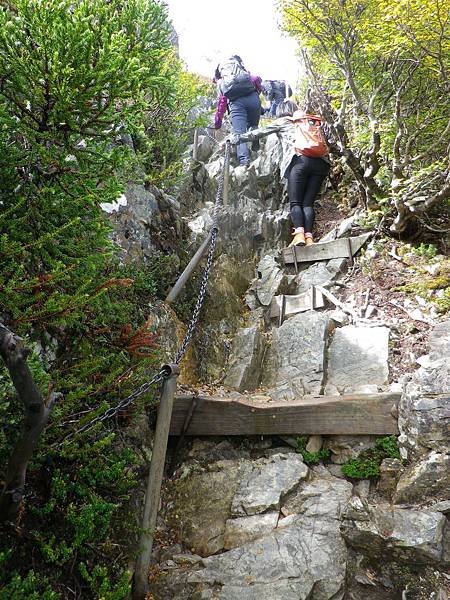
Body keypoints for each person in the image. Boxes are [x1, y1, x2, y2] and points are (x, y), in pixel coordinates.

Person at [225, 101, 330, 246]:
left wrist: (237, 138)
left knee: (295, 203)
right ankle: (310, 238)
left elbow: (259, 132)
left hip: (299, 161)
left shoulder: (283, 121)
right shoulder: (308, 121)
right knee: (308, 203)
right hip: (320, 163)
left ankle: (299, 235)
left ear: (280, 111)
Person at [213, 55, 262, 166]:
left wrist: (217, 123)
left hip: (236, 104)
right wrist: (257, 92)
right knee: (253, 125)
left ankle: (244, 162)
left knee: (239, 133)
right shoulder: (245, 75)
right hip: (253, 99)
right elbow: (257, 79)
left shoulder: (223, 83)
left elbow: (222, 104)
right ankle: (256, 148)